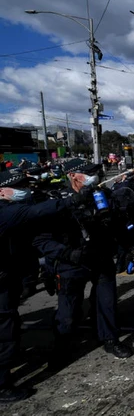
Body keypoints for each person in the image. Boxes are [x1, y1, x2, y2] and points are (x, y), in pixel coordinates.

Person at [32, 159, 134, 362]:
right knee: (69, 310)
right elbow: (41, 239)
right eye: (86, 173)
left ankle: (110, 339)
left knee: (106, 302)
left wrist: (127, 248)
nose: (93, 177)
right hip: (71, 261)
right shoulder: (55, 200)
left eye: (95, 172)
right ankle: (62, 346)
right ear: (72, 175)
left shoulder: (102, 195)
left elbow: (117, 225)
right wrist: (66, 253)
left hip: (100, 256)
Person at [0, 170, 84, 402]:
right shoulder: (6, 212)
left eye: (25, 185)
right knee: (5, 333)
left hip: (9, 278)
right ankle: (2, 386)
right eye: (17, 187)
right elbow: (37, 211)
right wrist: (72, 200)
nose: (23, 190)